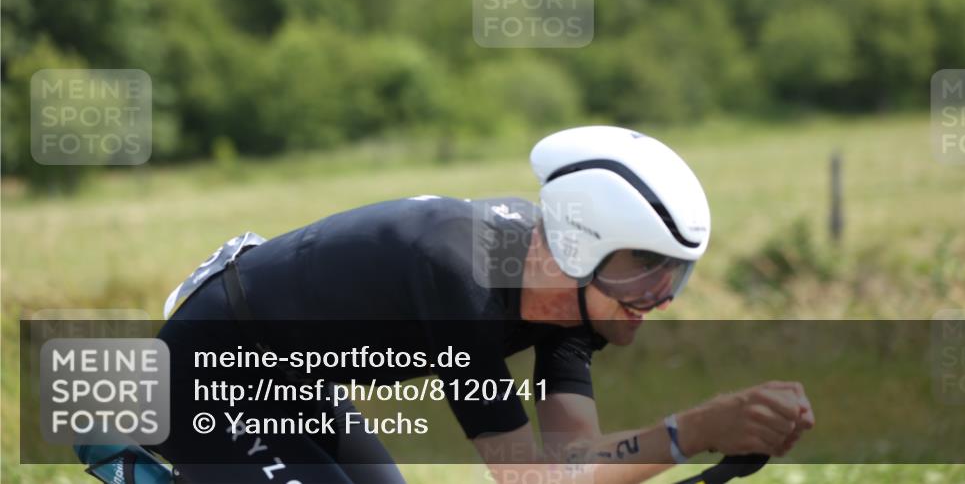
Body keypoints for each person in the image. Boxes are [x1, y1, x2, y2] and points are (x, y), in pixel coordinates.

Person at [153, 126, 814, 484]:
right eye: (644, 274)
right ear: (580, 247)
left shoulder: (568, 300)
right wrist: (692, 431)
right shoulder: (461, 277)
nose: (659, 301)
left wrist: (705, 435)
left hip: (292, 377)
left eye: (675, 278)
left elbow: (573, 466)